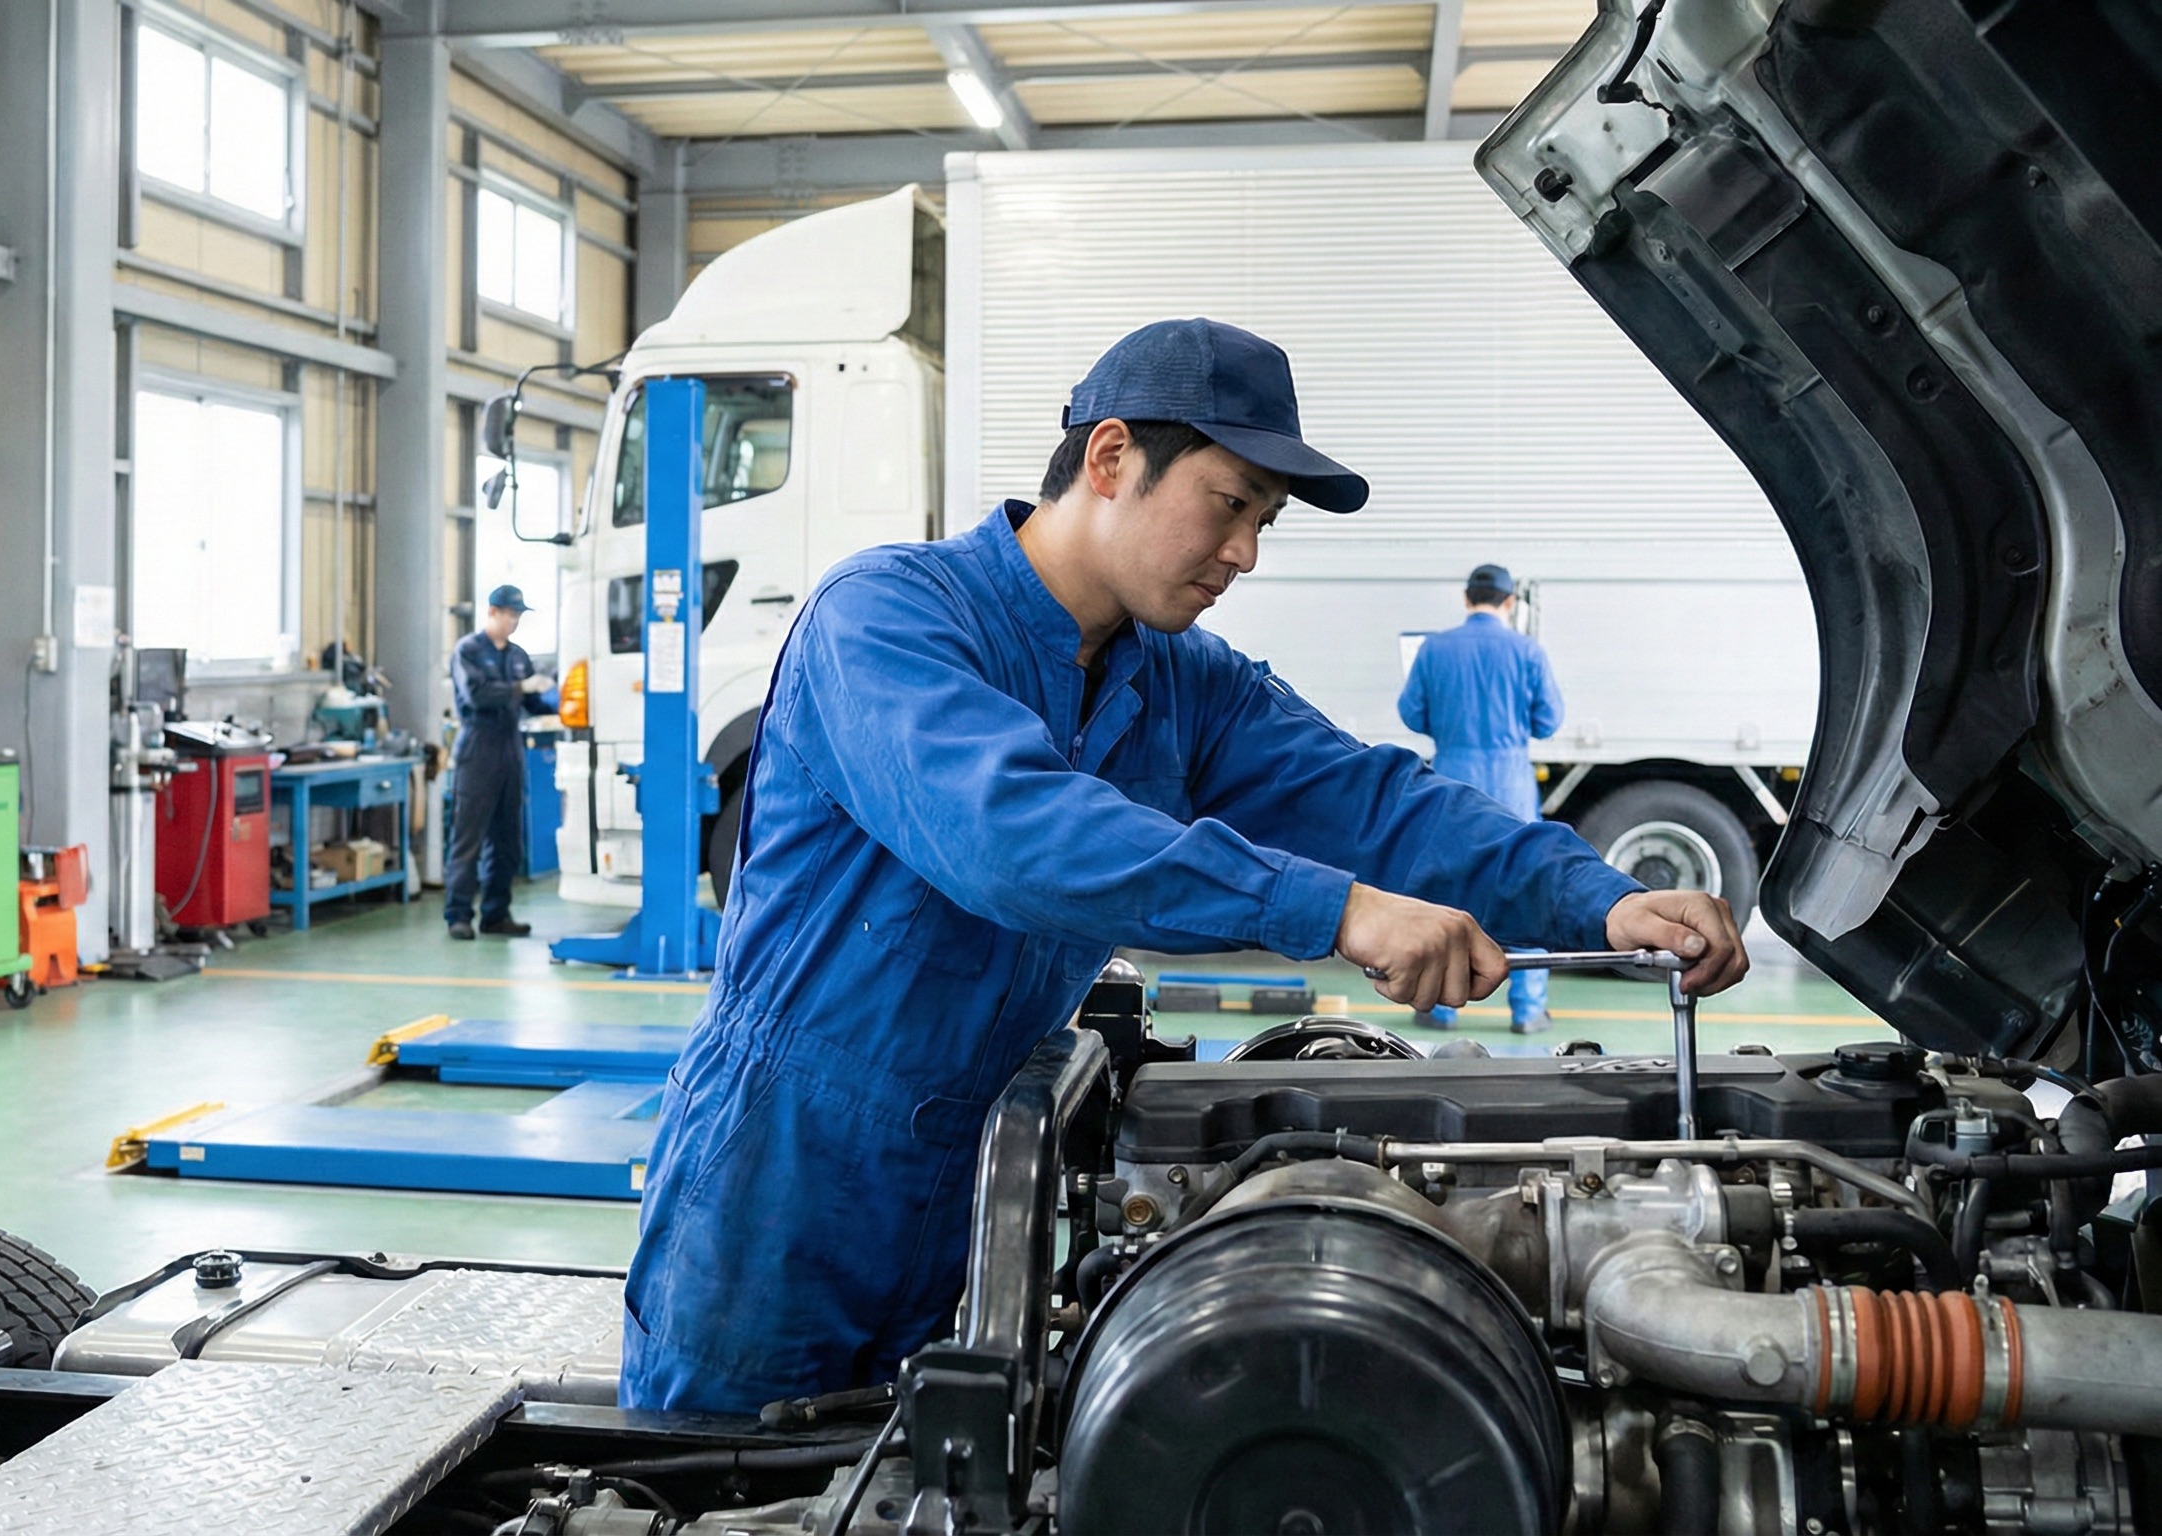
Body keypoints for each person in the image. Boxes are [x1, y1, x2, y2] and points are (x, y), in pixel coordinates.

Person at [619, 318, 1748, 1415]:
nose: (1246, 553)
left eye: (1266, 522)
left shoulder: (1183, 682)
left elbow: (1376, 800)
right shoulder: (888, 617)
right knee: (717, 1489)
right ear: (1111, 458)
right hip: (780, 1192)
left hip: (973, 1194)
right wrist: (1333, 910)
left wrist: (1602, 899)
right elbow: (1012, 835)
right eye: (1229, 505)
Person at [1396, 563, 1568, 1031]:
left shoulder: (1434, 648)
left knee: (1446, 894)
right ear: (1509, 602)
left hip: (1453, 784)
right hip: (1512, 787)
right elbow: (1549, 721)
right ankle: (1529, 1011)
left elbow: (1412, 714)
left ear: (1466, 597)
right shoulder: (1528, 650)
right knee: (1525, 889)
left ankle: (1438, 1005)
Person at [444, 585, 556, 942]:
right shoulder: (469, 651)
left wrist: (562, 704)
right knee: (469, 838)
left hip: (511, 747)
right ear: (492, 612)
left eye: (519, 616)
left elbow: (536, 703)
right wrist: (521, 688)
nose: (514, 622)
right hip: (478, 747)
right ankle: (459, 915)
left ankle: (496, 914)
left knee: (507, 839)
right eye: (510, 615)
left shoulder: (519, 655)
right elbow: (475, 696)